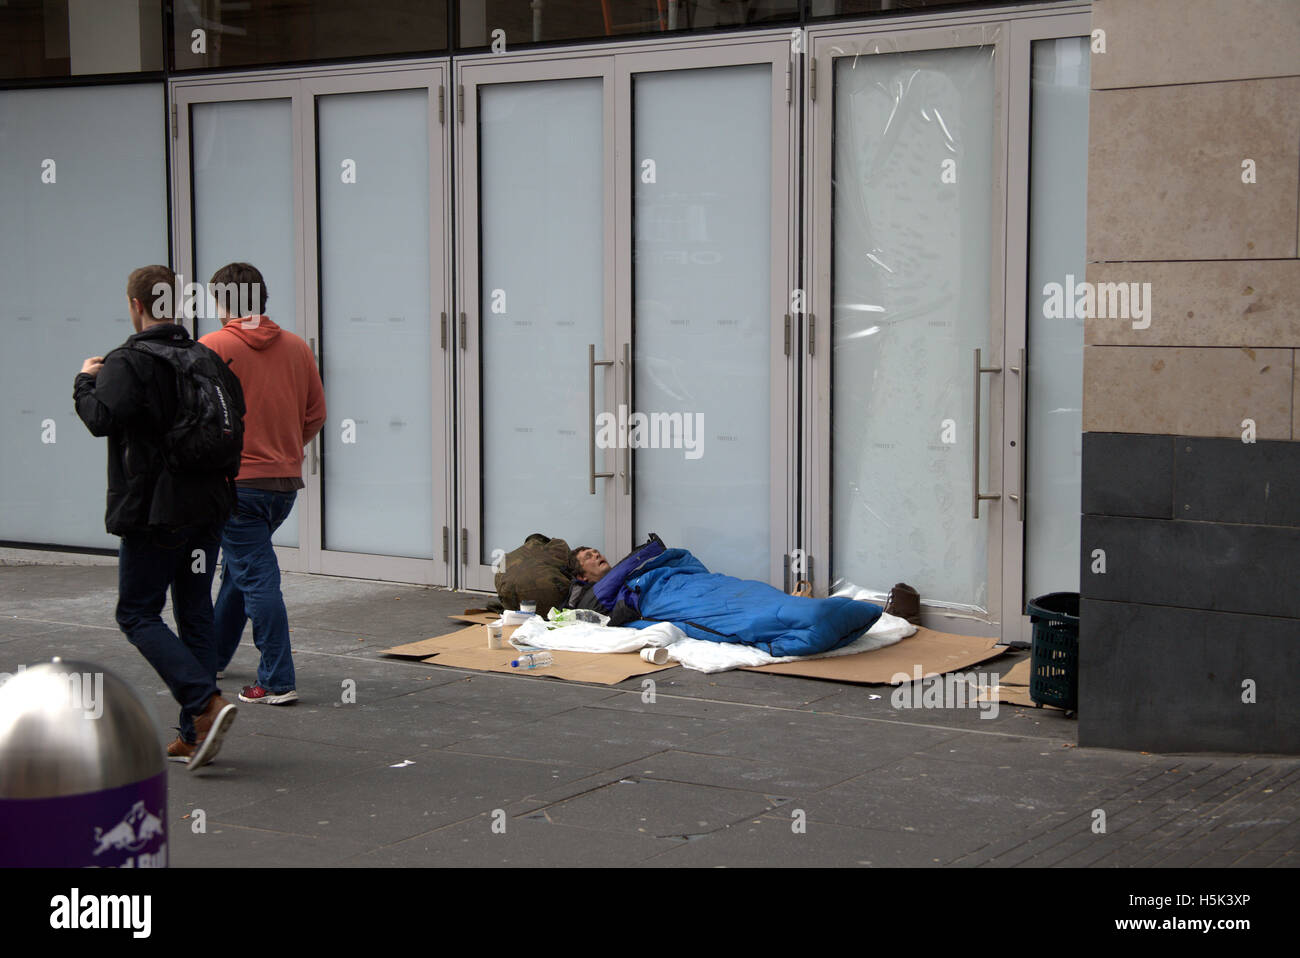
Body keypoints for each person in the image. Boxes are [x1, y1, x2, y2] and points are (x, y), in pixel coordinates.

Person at [73, 264, 243, 770]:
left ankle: (204, 703)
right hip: (208, 509)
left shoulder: (129, 361)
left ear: (136, 305)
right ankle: (195, 733)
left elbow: (101, 419)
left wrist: (85, 381)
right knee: (193, 610)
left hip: (155, 513)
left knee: (137, 613)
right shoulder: (207, 358)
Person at [199, 262, 325, 705]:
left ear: (221, 303)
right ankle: (212, 654)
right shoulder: (296, 347)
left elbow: (197, 419)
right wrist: (287, 448)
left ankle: (276, 680)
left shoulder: (211, 347)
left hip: (235, 486)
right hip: (283, 485)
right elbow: (316, 415)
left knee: (257, 579)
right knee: (241, 568)